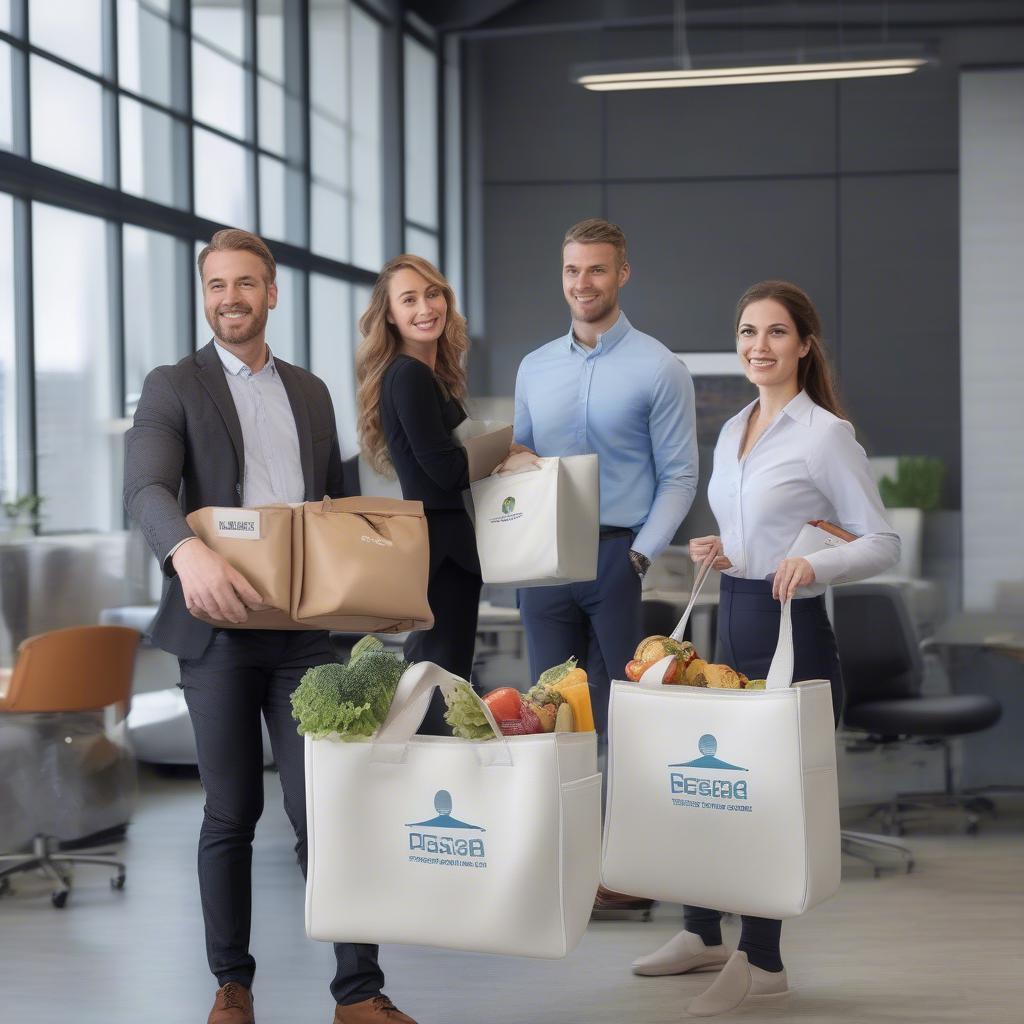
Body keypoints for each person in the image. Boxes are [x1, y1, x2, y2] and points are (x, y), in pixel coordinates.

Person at [124, 229, 414, 1024]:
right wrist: (187, 553)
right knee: (230, 814)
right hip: (215, 633)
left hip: (302, 638)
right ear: (204, 293)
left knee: (325, 809)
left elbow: (334, 522)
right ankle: (233, 986)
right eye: (217, 285)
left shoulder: (312, 393)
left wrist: (371, 595)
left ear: (271, 292)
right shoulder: (172, 385)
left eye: (245, 284)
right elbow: (146, 489)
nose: (230, 299)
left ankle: (359, 992)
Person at [631, 280, 900, 1017]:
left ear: (804, 345)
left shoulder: (825, 435)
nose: (759, 346)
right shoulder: (734, 428)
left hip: (796, 632)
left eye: (776, 333)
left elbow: (882, 541)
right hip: (733, 619)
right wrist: (724, 547)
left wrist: (816, 564)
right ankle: (700, 932)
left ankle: (763, 963)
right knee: (708, 792)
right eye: (749, 332)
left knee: (765, 804)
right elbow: (755, 528)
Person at [356, 254, 482, 734]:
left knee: (442, 678)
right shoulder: (407, 375)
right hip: (440, 546)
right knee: (440, 683)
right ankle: (432, 793)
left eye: (433, 294)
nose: (425, 307)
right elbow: (446, 471)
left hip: (443, 546)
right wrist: (501, 457)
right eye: (409, 299)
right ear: (389, 314)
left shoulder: (428, 375)